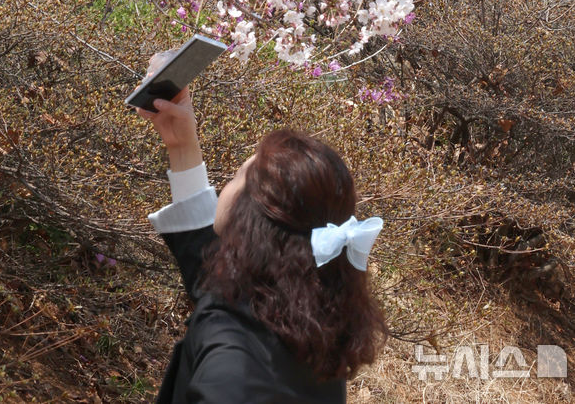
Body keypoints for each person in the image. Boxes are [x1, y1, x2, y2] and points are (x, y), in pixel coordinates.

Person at [137, 64, 389, 403]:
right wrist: (182, 144)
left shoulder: (233, 359)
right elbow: (211, 277)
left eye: (238, 174)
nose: (227, 183)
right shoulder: (313, 322)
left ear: (250, 220)